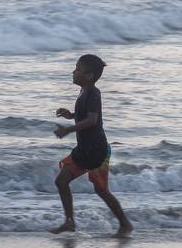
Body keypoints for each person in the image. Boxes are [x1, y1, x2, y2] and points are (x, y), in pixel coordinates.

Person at [51, 54, 133, 237]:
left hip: (96, 152)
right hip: (86, 150)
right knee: (63, 182)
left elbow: (92, 120)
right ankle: (70, 222)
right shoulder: (84, 91)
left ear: (88, 76)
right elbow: (86, 115)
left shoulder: (93, 93)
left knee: (101, 190)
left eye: (78, 69)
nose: (73, 72)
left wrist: (68, 129)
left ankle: (125, 224)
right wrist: (71, 115)